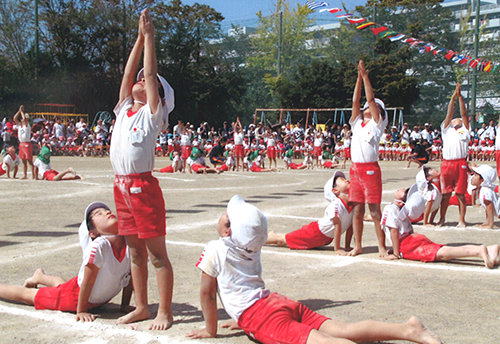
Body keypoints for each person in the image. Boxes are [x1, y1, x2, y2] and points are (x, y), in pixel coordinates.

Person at [186, 195, 442, 344]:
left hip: (262, 316)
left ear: (228, 230)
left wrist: (212, 330)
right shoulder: (253, 246)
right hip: (275, 302)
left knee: (322, 343)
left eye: (225, 215)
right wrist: (240, 316)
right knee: (342, 330)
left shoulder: (215, 248)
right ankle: (407, 329)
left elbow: (208, 294)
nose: (222, 216)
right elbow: (242, 285)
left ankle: (409, 330)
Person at [109, 9, 175, 330]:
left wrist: (150, 38)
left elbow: (148, 75)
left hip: (142, 188)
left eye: (147, 84)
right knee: (135, 253)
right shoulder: (124, 109)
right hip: (120, 187)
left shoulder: (152, 114)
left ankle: (164, 311)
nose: (138, 81)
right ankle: (142, 306)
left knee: (156, 254)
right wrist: (137, 39)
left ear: (159, 98)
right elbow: (129, 74)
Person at [0, 202, 132, 321]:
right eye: (98, 214)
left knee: (63, 287)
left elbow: (131, 275)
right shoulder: (99, 245)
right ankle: (36, 278)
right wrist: (81, 310)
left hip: (89, 295)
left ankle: (40, 277)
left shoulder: (130, 241)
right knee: (28, 295)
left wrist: (125, 305)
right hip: (74, 298)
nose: (107, 212)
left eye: (107, 210)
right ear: (93, 232)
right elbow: (88, 281)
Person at [381, 186, 499, 268]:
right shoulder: (401, 209)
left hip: (407, 244)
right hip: (413, 238)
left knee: (444, 253)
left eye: (403, 192)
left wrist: (396, 253)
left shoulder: (390, 208)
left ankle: (479, 251)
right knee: (442, 250)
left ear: (401, 202)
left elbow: (394, 232)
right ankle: (490, 250)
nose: (402, 189)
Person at [348, 60, 388, 257]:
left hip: (370, 169)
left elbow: (370, 101)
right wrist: (357, 79)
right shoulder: (357, 124)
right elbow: (356, 102)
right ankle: (358, 245)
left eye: (372, 108)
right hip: (355, 169)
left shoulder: (376, 125)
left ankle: (381, 246)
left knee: (374, 211)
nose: (367, 109)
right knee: (357, 210)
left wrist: (366, 78)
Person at [266, 171, 353, 254]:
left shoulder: (352, 204)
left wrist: (347, 246)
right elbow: (337, 226)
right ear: (335, 190)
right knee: (282, 241)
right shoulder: (336, 205)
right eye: (342, 180)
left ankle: (273, 235)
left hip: (325, 238)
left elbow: (351, 225)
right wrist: (337, 249)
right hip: (314, 233)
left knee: (289, 238)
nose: (346, 180)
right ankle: (262, 238)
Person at [438, 83, 469, 228]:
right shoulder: (446, 129)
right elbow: (449, 113)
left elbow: (464, 114)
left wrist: (461, 97)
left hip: (461, 163)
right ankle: (442, 218)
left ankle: (461, 220)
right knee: (445, 194)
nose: (456, 119)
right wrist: (453, 98)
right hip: (447, 163)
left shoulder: (466, 130)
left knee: (460, 194)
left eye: (459, 120)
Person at [470, 164, 500, 229]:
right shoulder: (484, 189)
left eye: (475, 175)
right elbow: (486, 208)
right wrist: (487, 222)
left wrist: (490, 225)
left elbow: (490, 208)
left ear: (483, 180)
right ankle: (488, 221)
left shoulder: (486, 191)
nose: (472, 177)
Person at [13, 105, 35, 179]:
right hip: (21, 144)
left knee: (29, 161)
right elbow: (15, 118)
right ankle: (25, 175)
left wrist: (22, 112)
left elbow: (24, 119)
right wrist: (19, 111)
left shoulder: (27, 125)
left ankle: (33, 175)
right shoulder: (19, 126)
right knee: (23, 161)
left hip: (27, 144)